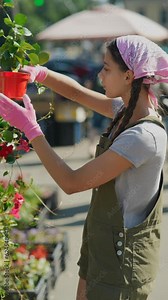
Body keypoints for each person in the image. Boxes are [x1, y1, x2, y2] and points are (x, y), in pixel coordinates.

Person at [0, 35, 168, 300]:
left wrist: (31, 130)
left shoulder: (142, 136)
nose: (99, 74)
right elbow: (77, 93)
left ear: (129, 75)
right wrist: (41, 73)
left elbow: (72, 183)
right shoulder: (127, 112)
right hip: (104, 247)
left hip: (122, 267)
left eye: (106, 68)